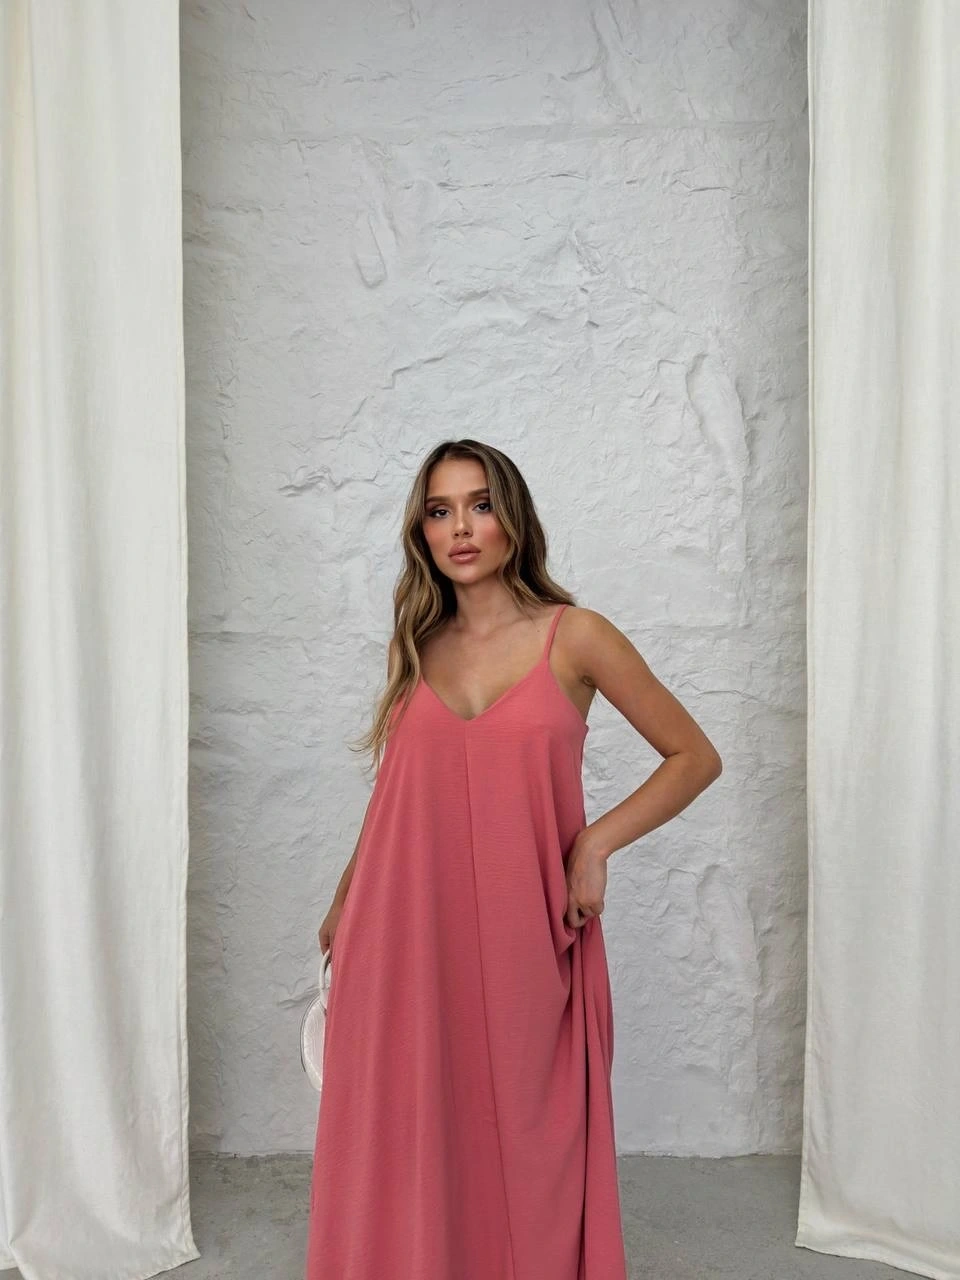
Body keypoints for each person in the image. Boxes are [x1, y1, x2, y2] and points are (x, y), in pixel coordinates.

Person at [304, 438, 722, 1280]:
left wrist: (594, 843)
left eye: (481, 504)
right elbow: (395, 797)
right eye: (440, 510)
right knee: (413, 1129)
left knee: (535, 1134)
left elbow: (694, 757)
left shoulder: (577, 637)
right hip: (406, 929)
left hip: (529, 927)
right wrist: (347, 903)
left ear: (513, 519)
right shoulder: (416, 644)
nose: (460, 527)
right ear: (422, 532)